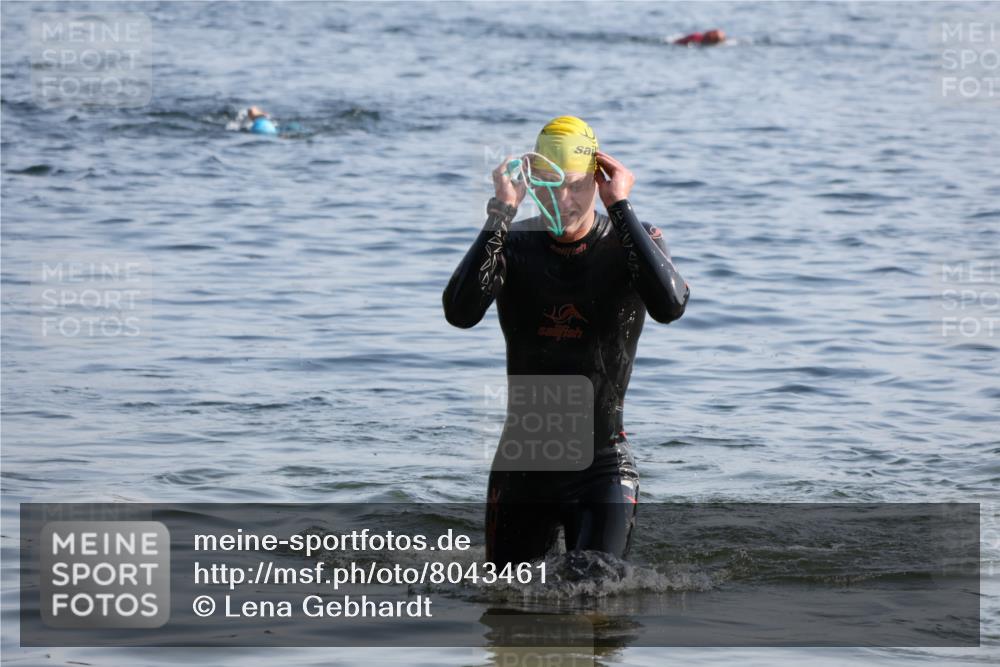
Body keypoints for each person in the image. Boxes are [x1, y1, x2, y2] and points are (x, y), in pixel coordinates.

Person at [442, 116, 690, 567]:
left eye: (576, 186)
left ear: (599, 180)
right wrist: (500, 211)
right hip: (523, 466)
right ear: (532, 182)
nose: (563, 200)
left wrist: (621, 207)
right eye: (550, 186)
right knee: (507, 608)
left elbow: (670, 306)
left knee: (595, 596)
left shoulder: (634, 241)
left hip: (603, 463)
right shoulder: (513, 244)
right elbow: (460, 313)